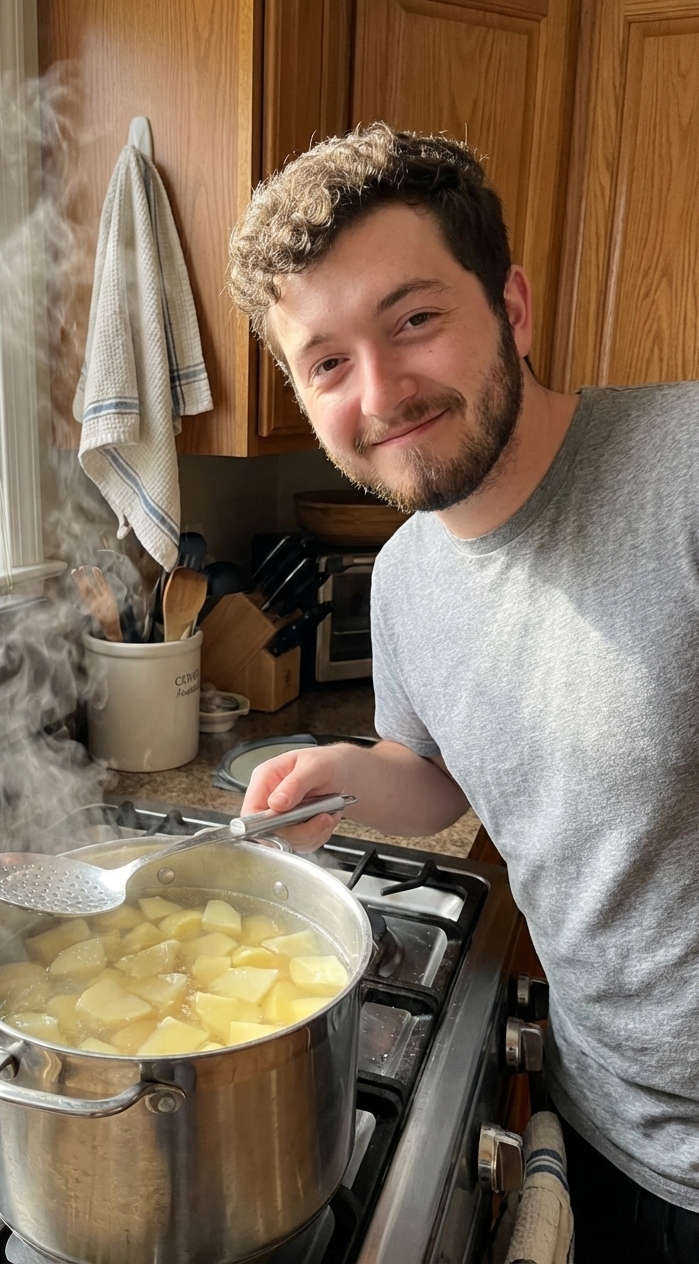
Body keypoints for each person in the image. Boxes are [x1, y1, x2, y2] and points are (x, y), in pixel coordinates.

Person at [225, 121, 699, 1263]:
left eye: (415, 320)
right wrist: (350, 773)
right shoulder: (404, 580)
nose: (380, 390)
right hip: (604, 1121)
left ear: (513, 308)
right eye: (328, 361)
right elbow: (438, 773)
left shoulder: (681, 470)